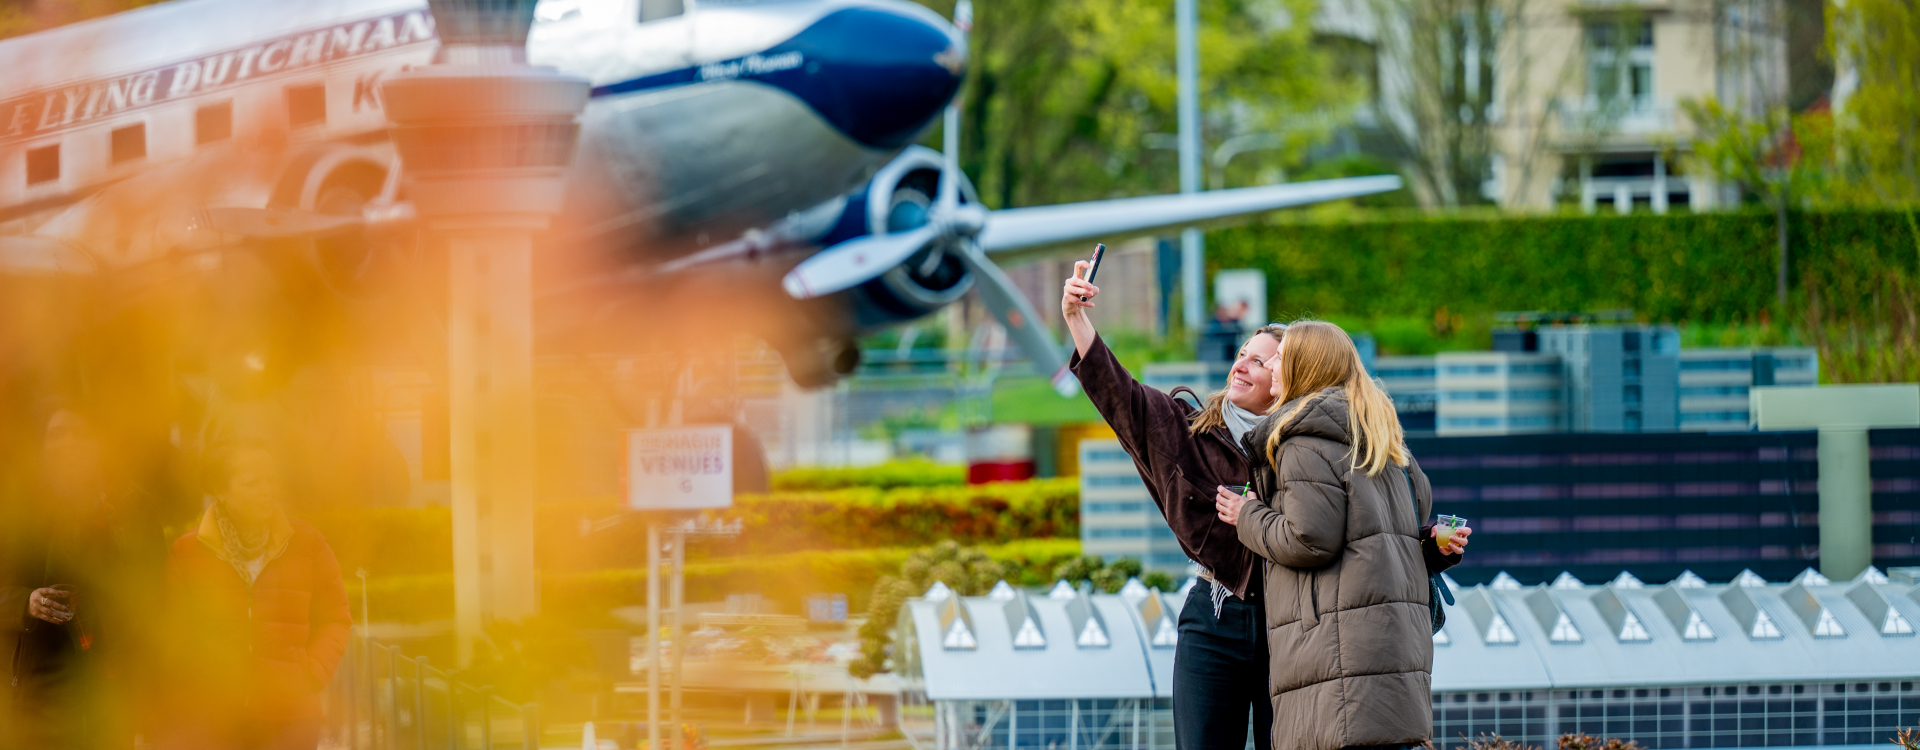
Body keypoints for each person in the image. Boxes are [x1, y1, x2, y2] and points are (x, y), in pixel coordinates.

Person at [1212, 320, 1470, 750]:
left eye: (1281, 357)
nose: (1272, 366)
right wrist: (1433, 548)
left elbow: (1309, 540)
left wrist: (1247, 514)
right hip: (1395, 654)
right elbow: (1388, 530)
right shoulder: (1383, 440)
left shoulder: (1302, 443)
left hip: (1337, 662)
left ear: (1305, 367)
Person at [1061, 261, 1283, 750]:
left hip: (1290, 622)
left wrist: (1429, 547)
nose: (1241, 363)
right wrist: (1077, 320)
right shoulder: (1187, 429)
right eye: (1241, 353)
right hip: (1213, 616)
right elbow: (1124, 399)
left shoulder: (1309, 445)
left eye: (1261, 361)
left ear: (1288, 378)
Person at [2, 406, 178, 750]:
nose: (67, 444)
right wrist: (27, 602)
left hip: (109, 684)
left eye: (79, 434)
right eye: (57, 435)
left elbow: (156, 594)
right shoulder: (19, 514)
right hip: (39, 684)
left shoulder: (132, 509)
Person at [159, 441, 352, 750]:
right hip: (215, 721)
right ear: (221, 490)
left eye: (271, 479)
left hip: (292, 719)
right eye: (253, 482)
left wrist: (312, 673)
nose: (267, 490)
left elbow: (335, 617)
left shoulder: (308, 544)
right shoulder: (187, 552)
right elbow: (173, 633)